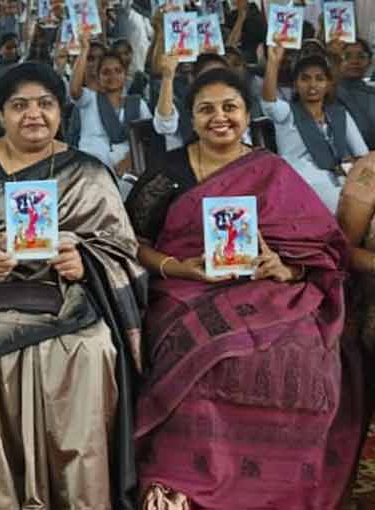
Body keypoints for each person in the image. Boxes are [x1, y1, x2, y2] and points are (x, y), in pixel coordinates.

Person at [0, 62, 146, 509]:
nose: (33, 115)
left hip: (68, 296)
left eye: (44, 104)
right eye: (19, 106)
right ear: (0, 114)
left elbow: (119, 248)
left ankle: (78, 494)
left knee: (92, 350)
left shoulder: (88, 172)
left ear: (60, 112)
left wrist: (84, 262)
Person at [124, 67, 364, 510]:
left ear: (247, 114)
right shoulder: (167, 172)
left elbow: (321, 247)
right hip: (186, 288)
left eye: (230, 107)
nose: (219, 117)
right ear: (191, 118)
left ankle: (281, 488)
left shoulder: (272, 170)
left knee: (302, 349)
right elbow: (131, 242)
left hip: (268, 288)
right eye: (206, 109)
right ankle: (180, 487)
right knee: (203, 354)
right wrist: (178, 267)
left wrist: (286, 268)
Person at [262, 46, 368, 212]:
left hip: (341, 182)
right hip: (301, 184)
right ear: (295, 84)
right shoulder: (287, 113)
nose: (312, 85)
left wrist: (353, 168)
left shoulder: (339, 114)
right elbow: (269, 103)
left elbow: (363, 155)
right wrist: (273, 63)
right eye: (305, 79)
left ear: (328, 84)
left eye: (319, 79)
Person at [69, 40, 178, 180]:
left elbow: (148, 137)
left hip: (127, 174)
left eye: (118, 71)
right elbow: (74, 91)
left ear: (125, 74)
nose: (112, 76)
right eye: (106, 72)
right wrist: (84, 50)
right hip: (91, 172)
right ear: (98, 76)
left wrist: (130, 159)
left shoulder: (137, 104)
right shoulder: (89, 99)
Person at [335, 39, 375, 149]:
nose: (354, 61)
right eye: (347, 56)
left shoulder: (372, 94)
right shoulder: (326, 93)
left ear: (370, 61)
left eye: (361, 56)